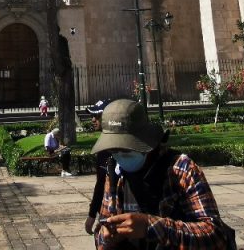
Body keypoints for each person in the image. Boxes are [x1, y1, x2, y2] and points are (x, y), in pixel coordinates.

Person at [91, 99, 236, 249]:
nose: (120, 154)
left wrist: (151, 226)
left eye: (126, 148)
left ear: (145, 141)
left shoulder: (181, 169)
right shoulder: (115, 172)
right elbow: (101, 231)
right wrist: (106, 237)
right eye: (114, 149)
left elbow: (215, 236)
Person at [83, 102, 111, 235]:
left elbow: (101, 183)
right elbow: (101, 183)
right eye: (92, 116)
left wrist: (92, 214)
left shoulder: (108, 147)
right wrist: (93, 212)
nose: (93, 119)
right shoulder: (104, 145)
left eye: (97, 115)